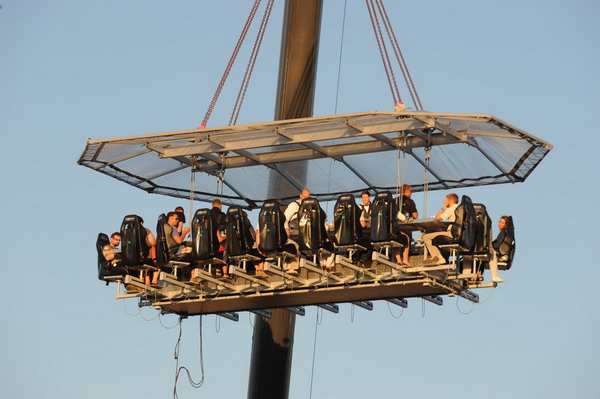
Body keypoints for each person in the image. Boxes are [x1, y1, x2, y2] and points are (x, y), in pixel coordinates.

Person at [422, 193, 459, 265]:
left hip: (451, 233)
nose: (444, 201)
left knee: (426, 237)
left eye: (445, 200)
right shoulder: (461, 208)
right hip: (458, 234)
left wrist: (443, 207)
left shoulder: (452, 209)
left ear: (449, 200)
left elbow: (437, 219)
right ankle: (437, 257)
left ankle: (438, 258)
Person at [395, 184, 418, 266]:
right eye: (411, 191)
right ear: (406, 191)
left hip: (394, 227)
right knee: (406, 239)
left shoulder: (394, 201)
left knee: (396, 240)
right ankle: (405, 260)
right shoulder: (410, 201)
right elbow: (415, 216)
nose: (411, 193)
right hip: (406, 226)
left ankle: (398, 260)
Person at [487, 216, 510, 283]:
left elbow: (497, 244)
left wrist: (489, 245)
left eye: (502, 222)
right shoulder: (504, 232)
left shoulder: (503, 232)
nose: (499, 223)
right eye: (499, 221)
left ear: (506, 224)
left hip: (497, 251)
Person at [210, 199, 228, 277]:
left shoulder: (207, 214)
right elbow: (225, 227)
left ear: (212, 205)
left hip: (208, 241)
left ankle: (217, 271)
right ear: (220, 206)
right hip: (219, 239)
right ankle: (225, 273)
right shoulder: (222, 215)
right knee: (225, 250)